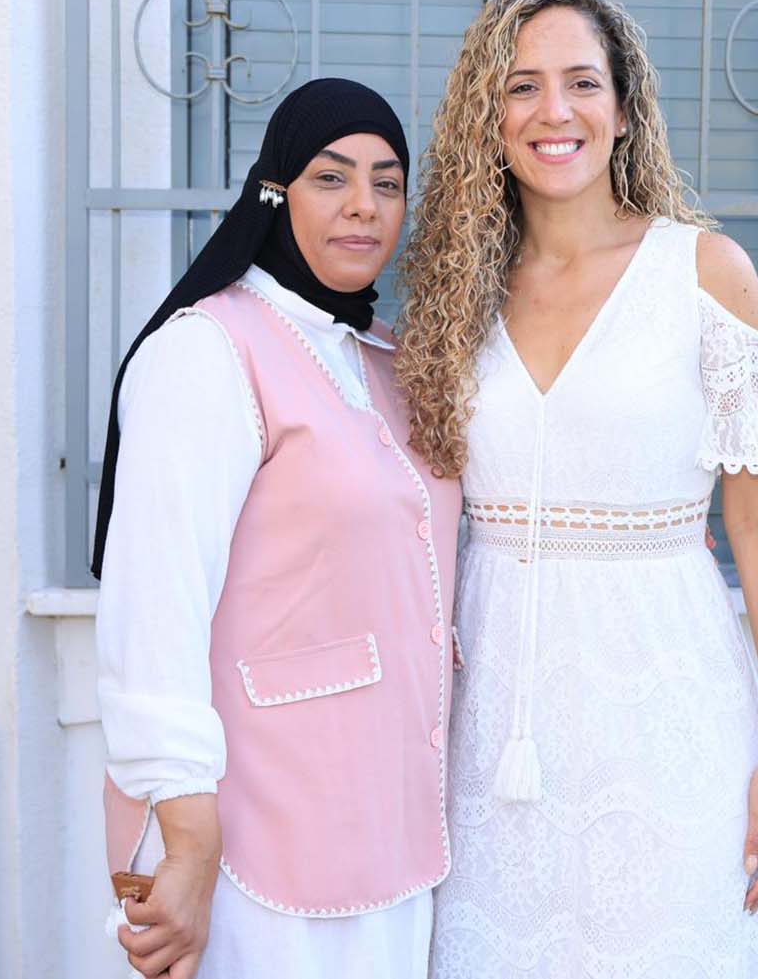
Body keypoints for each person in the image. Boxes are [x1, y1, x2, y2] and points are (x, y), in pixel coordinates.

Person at [396, 0, 758, 977]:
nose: (555, 111)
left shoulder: (704, 273)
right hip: (491, 728)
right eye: (521, 86)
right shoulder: (453, 293)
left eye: (581, 82)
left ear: (623, 110)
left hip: (668, 715)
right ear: (488, 118)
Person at [91, 78, 460, 979]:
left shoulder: (387, 358)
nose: (364, 205)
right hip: (255, 832)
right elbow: (155, 605)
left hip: (388, 819)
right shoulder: (207, 351)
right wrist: (187, 838)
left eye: (387, 182)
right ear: (274, 192)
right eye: (331, 177)